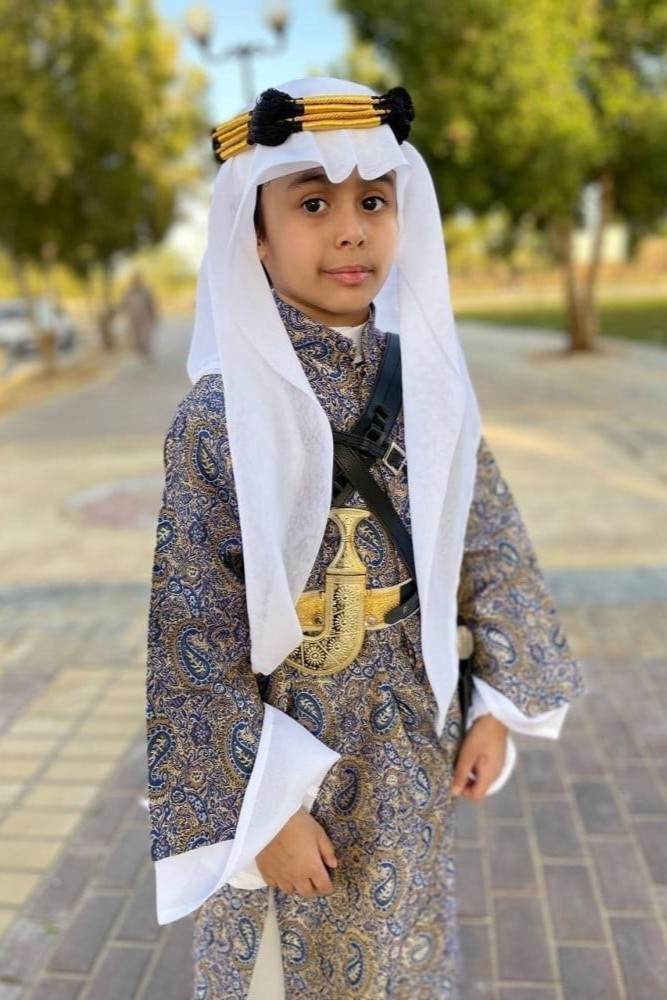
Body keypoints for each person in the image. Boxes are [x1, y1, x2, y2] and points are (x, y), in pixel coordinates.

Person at [146, 77, 583, 999]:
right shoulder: (218, 416)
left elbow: (489, 542)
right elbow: (192, 631)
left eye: (373, 202)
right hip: (287, 757)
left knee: (400, 955)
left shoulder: (431, 388)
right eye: (312, 204)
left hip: (410, 748)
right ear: (255, 235)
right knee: (280, 966)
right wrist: (261, 811)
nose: (350, 231)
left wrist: (495, 703)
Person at [118, 271, 158, 360]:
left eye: (137, 280)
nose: (136, 282)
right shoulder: (128, 293)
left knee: (145, 337)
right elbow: (123, 305)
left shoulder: (146, 292)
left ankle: (147, 353)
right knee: (136, 339)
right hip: (133, 319)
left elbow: (152, 305)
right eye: (134, 280)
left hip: (145, 319)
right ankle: (142, 351)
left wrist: (154, 317)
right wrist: (120, 313)